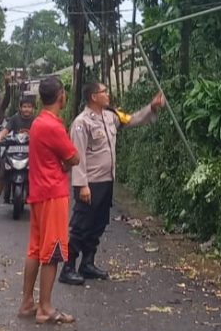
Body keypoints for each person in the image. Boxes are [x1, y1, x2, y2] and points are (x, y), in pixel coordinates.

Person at [59, 81, 166, 285]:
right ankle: (68, 266)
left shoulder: (110, 116)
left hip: (106, 181)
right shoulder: (82, 123)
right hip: (90, 183)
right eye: (104, 91)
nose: (108, 94)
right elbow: (77, 155)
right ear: (93, 97)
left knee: (99, 223)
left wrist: (151, 107)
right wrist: (82, 185)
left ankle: (88, 263)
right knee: (81, 225)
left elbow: (132, 120)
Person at [18, 75, 79, 325]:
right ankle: (45, 308)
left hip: (39, 193)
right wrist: (65, 163)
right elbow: (73, 157)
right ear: (61, 95)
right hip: (54, 193)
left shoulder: (37, 123)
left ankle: (27, 302)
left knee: (35, 249)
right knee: (52, 251)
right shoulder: (53, 126)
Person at [0, 94, 36, 201]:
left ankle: (36, 196)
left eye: (29, 107)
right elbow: (5, 130)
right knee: (1, 172)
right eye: (24, 106)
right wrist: (0, 137)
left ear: (33, 108)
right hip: (13, 150)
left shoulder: (36, 120)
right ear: (20, 107)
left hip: (30, 152)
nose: (26, 109)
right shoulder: (14, 119)